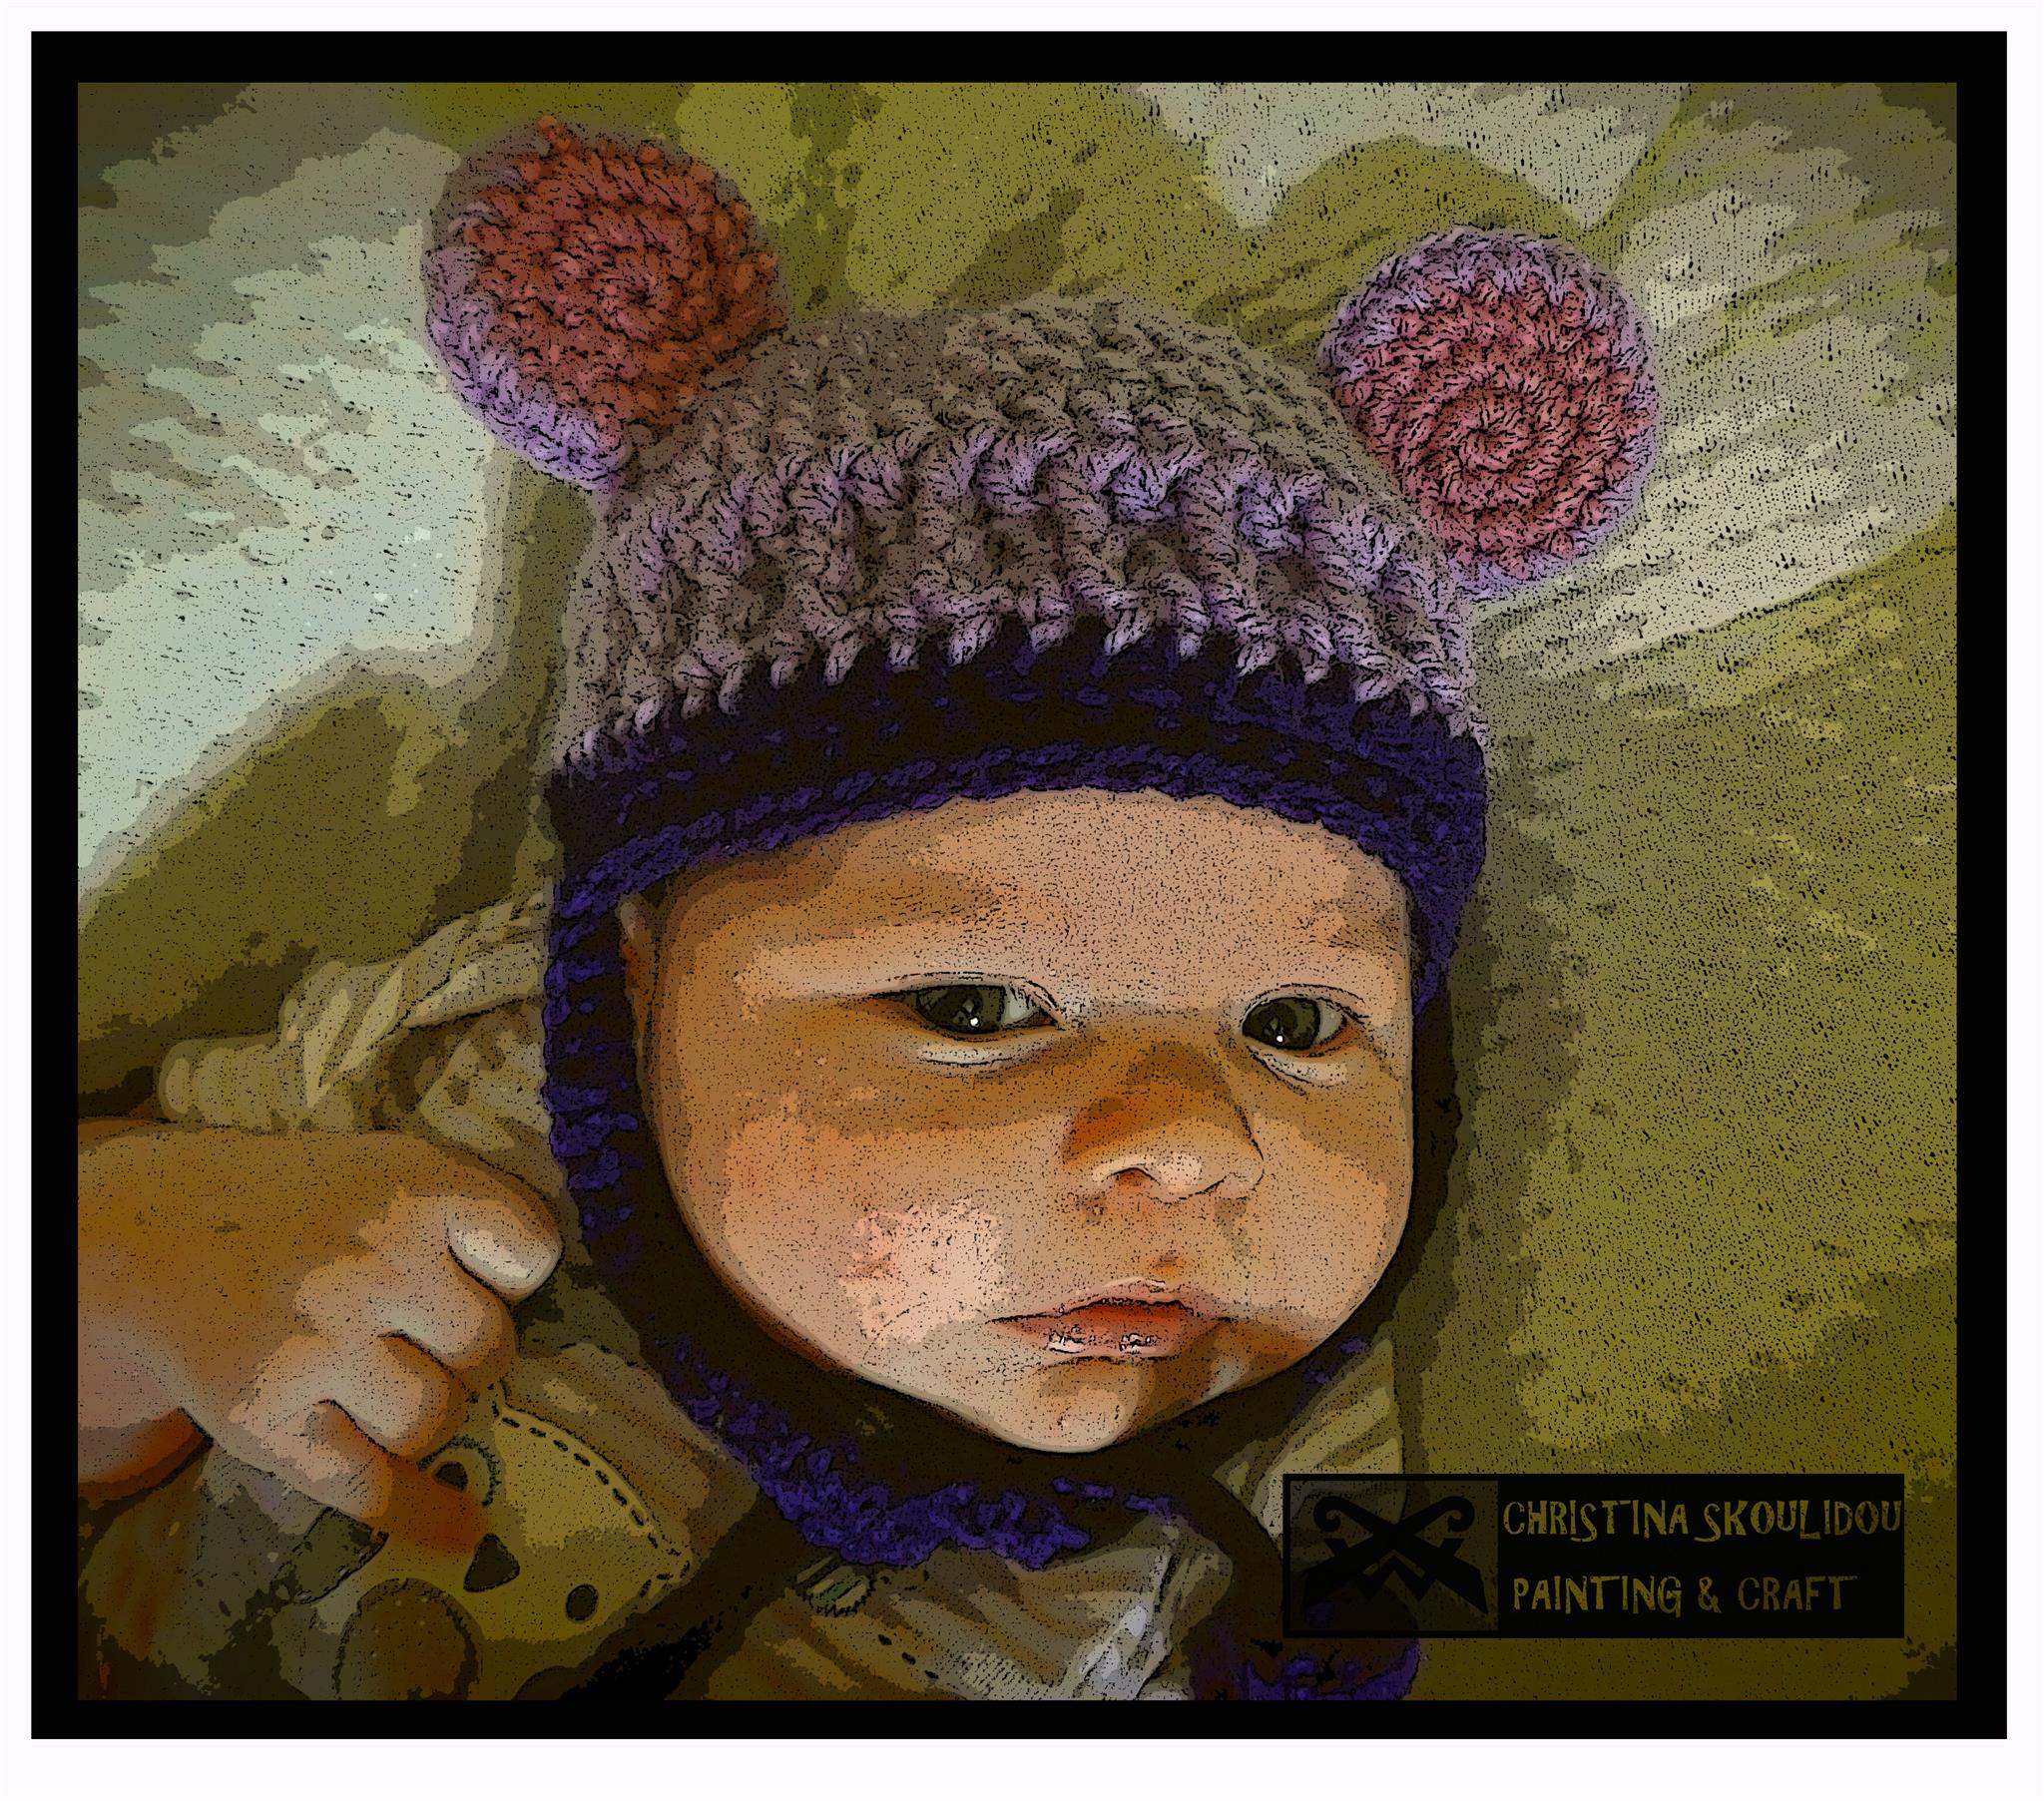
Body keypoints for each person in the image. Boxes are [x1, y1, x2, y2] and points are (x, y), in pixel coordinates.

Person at [76, 115, 1658, 1700]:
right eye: (976, 1005)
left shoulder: (1307, 1453)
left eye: (1301, 1023)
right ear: (636, 984)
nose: (1191, 1142)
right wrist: (152, 1258)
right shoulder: (447, 1075)